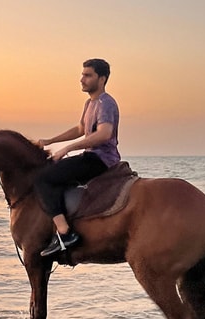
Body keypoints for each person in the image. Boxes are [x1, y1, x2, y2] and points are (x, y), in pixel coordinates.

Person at [35, 58, 120, 257]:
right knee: (50, 170)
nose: (82, 79)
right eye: (82, 75)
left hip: (100, 159)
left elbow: (104, 133)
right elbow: (81, 128)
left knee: (42, 178)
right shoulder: (90, 103)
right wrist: (50, 141)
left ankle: (65, 233)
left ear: (102, 79)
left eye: (88, 75)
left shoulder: (106, 103)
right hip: (90, 155)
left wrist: (67, 148)